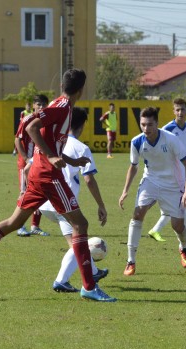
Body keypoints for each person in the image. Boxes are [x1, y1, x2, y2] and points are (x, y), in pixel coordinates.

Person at [0, 68, 116, 302]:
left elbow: (49, 140)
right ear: (81, 89)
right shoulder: (62, 106)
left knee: (14, 222)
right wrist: (51, 157)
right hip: (48, 175)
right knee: (80, 224)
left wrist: (71, 160)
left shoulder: (61, 104)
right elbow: (31, 128)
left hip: (40, 172)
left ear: (63, 85)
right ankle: (89, 286)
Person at [38, 107, 110, 292]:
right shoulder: (81, 148)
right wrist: (101, 205)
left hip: (46, 201)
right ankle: (61, 280)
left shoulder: (55, 143)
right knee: (79, 241)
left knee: (74, 243)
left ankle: (93, 271)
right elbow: (89, 179)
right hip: (62, 201)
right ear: (83, 125)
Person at [118, 106, 186, 276]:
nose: (146, 129)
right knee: (137, 214)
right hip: (150, 181)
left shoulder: (171, 139)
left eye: (150, 125)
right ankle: (131, 261)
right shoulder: (137, 142)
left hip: (173, 185)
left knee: (178, 225)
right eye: (143, 124)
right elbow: (133, 166)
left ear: (157, 124)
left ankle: (183, 246)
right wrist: (125, 191)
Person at [147, 98, 186, 243]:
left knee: (178, 203)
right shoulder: (167, 129)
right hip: (172, 172)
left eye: (182, 109)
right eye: (177, 109)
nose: (180, 112)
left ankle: (156, 230)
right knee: (181, 201)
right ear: (173, 111)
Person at [14, 94, 51, 237]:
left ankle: (35, 225)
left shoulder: (47, 119)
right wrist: (25, 158)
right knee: (24, 193)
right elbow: (18, 140)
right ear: (34, 105)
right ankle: (20, 225)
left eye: (44, 105)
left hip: (39, 162)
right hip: (26, 163)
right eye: (38, 105)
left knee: (40, 192)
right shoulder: (27, 119)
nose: (41, 108)